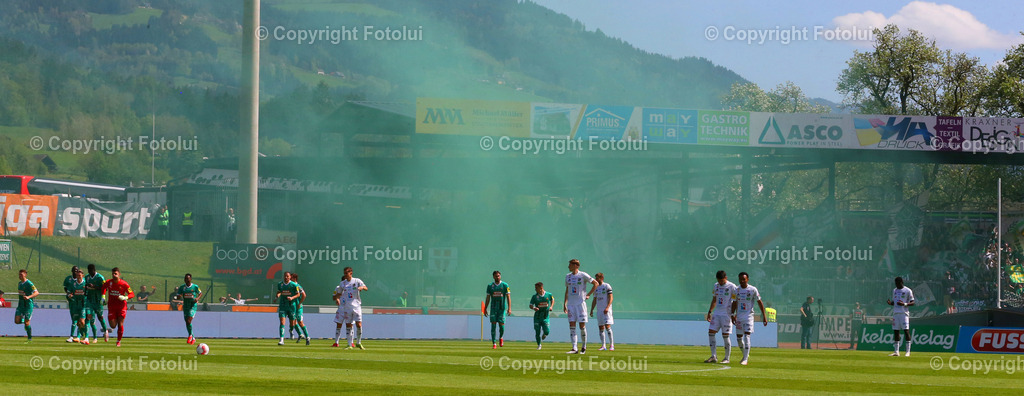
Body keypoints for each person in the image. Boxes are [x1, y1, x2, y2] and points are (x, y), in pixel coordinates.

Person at [730, 272, 766, 366]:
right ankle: (745, 354)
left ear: (747, 279)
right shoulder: (736, 290)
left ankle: (745, 359)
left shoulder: (753, 289)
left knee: (747, 336)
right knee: (738, 339)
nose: (742, 281)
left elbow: (759, 302)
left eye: (744, 279)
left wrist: (764, 316)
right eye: (740, 279)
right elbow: (734, 302)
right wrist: (732, 314)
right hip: (739, 317)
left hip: (749, 316)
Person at [564, 258, 598, 354]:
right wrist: (565, 303)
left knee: (582, 326)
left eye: (570, 265)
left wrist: (588, 294)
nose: (568, 266)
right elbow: (567, 290)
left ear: (576, 266)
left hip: (580, 304)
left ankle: (584, 346)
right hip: (571, 305)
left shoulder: (583, 275)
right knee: (571, 325)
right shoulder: (567, 276)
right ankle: (574, 348)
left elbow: (595, 283)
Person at [332, 267, 368, 349]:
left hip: (356, 306)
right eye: (344, 273)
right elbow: (338, 293)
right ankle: (349, 344)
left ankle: (358, 342)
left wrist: (361, 288)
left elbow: (366, 288)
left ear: (351, 273)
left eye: (346, 273)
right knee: (348, 325)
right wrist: (336, 297)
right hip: (347, 307)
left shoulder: (357, 281)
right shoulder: (342, 283)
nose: (345, 275)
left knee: (359, 324)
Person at [705, 270, 737, 363]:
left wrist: (733, 314)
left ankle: (727, 358)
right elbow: (714, 299)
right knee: (711, 332)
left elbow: (735, 301)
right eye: (719, 280)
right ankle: (713, 356)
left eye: (722, 281)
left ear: (725, 278)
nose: (720, 282)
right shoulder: (716, 286)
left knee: (725, 335)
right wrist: (710, 311)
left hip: (726, 314)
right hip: (717, 313)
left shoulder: (732, 286)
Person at [101, 267, 134, 347]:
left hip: (121, 306)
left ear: (119, 274)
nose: (114, 275)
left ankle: (118, 341)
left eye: (115, 273)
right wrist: (103, 297)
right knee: (113, 325)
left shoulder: (124, 284)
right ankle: (107, 331)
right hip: (112, 306)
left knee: (120, 324)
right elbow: (103, 288)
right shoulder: (109, 282)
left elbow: (132, 294)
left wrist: (125, 297)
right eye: (113, 273)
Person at [887, 276, 915, 357]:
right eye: (895, 283)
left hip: (904, 314)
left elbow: (913, 302)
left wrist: (904, 304)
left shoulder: (907, 290)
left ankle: (908, 352)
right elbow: (894, 302)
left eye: (897, 283)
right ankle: (896, 351)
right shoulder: (894, 290)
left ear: (901, 282)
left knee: (906, 331)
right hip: (896, 314)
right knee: (896, 332)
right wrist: (890, 303)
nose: (896, 285)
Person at [484, 270, 511, 349]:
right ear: (493, 277)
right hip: (493, 308)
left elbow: (508, 297)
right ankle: (494, 343)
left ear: (500, 276)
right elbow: (488, 298)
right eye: (496, 276)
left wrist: (509, 308)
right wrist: (485, 308)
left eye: (499, 276)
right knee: (493, 325)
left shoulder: (505, 285)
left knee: (501, 325)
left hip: (502, 308)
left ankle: (501, 337)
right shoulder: (490, 286)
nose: (497, 277)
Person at [84, 264, 109, 343]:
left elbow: (105, 288)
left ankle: (105, 331)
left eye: (91, 270)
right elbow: (84, 286)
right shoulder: (87, 277)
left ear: (94, 270)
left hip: (98, 301)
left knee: (100, 317)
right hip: (89, 301)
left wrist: (94, 286)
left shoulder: (100, 277)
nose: (90, 272)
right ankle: (87, 338)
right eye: (89, 270)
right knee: (88, 317)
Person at [590, 272, 614, 351]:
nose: (596, 280)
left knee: (607, 326)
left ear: (602, 278)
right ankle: (603, 345)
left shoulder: (607, 286)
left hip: (606, 310)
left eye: (597, 278)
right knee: (601, 327)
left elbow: (611, 298)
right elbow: (595, 299)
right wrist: (592, 310)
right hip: (599, 310)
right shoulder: (596, 288)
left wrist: (607, 307)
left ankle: (611, 345)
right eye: (596, 278)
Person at [176, 273, 202, 345]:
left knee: (188, 320)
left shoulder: (195, 286)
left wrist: (197, 298)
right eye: (185, 278)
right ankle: (193, 337)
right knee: (187, 322)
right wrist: (179, 296)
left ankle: (190, 335)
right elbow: (178, 295)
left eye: (188, 278)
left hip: (192, 305)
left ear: (190, 279)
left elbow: (200, 293)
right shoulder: (182, 287)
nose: (187, 280)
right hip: (186, 306)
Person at [275, 271, 300, 345]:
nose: (286, 277)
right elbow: (279, 291)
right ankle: (281, 340)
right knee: (282, 322)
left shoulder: (294, 285)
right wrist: (277, 296)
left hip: (291, 306)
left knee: (292, 324)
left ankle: (291, 331)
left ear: (290, 277)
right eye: (285, 276)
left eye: (287, 276)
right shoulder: (280, 284)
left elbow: (298, 294)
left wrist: (292, 298)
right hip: (283, 306)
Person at [15, 269, 39, 342]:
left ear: (25, 274)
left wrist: (28, 297)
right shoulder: (19, 283)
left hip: (28, 305)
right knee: (17, 321)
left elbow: (37, 293)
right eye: (19, 274)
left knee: (27, 322)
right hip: (21, 305)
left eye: (21, 274)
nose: (20, 276)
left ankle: (29, 338)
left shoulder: (29, 283)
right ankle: (25, 322)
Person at [529, 282, 554, 350]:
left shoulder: (548, 294)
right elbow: (530, 305)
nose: (535, 289)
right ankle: (539, 345)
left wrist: (551, 306)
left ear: (541, 288)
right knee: (537, 331)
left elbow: (552, 299)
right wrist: (534, 308)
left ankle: (545, 334)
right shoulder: (534, 296)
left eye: (536, 288)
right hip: (537, 316)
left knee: (547, 331)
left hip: (545, 316)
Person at [68, 268, 90, 344]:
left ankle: (86, 337)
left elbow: (89, 292)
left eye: (80, 275)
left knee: (82, 321)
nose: (79, 276)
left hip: (83, 304)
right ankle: (80, 336)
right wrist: (69, 295)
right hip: (75, 304)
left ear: (82, 275)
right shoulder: (73, 283)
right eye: (77, 275)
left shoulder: (85, 283)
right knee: (78, 322)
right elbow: (69, 292)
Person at [290, 273, 310, 345]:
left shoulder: (297, 286)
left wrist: (299, 303)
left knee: (300, 322)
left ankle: (307, 337)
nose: (289, 279)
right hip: (293, 307)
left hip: (298, 307)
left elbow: (304, 295)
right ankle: (300, 335)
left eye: (291, 278)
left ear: (294, 279)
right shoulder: (291, 286)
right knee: (293, 322)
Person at [63, 265, 80, 343]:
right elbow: (66, 287)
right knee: (74, 319)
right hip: (72, 302)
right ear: (72, 271)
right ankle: (73, 336)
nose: (76, 272)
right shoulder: (68, 279)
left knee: (80, 320)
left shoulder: (81, 281)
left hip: (80, 303)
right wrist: (68, 293)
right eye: (74, 270)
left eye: (77, 270)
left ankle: (77, 336)